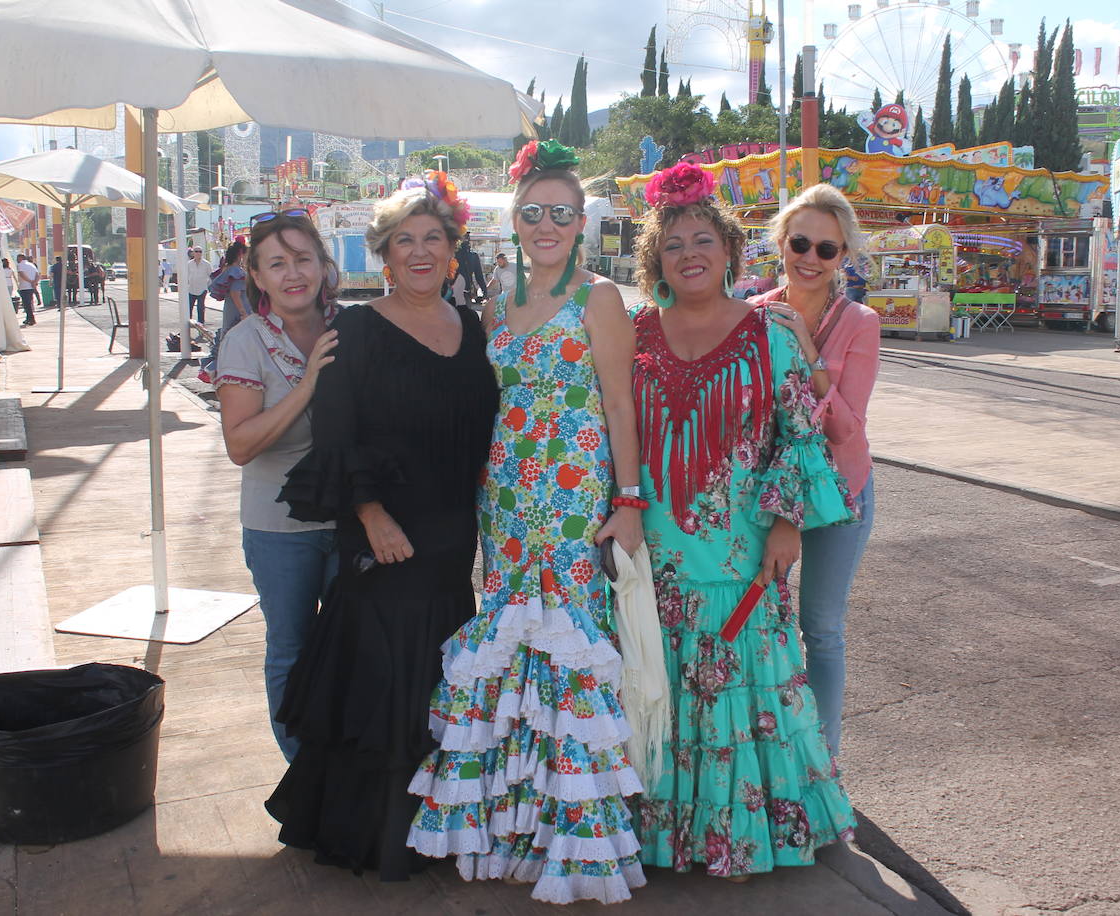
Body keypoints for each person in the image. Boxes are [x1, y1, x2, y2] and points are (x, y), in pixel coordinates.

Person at [407, 139, 647, 904]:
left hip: (574, 501)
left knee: (567, 641)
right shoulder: (494, 304)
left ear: (581, 223)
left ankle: (575, 841)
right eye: (534, 212)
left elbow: (618, 404)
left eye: (562, 214)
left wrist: (630, 501)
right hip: (505, 500)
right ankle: (515, 826)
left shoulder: (600, 299)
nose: (547, 225)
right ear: (514, 220)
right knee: (510, 644)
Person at [628, 163, 858, 879]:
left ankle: (746, 835)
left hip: (742, 549)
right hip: (657, 551)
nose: (689, 253)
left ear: (729, 250)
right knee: (658, 680)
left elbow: (801, 434)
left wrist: (789, 523)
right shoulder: (632, 334)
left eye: (703, 238)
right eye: (673, 244)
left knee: (747, 678)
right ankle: (666, 831)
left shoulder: (771, 334)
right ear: (654, 260)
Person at [267, 174, 498, 881]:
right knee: (382, 683)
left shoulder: (473, 327)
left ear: (454, 252)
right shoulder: (356, 330)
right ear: (384, 256)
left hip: (452, 535)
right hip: (386, 536)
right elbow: (336, 435)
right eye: (405, 241)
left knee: (439, 677)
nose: (420, 252)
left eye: (434, 239)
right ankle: (378, 837)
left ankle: (440, 828)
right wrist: (370, 515)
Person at [749, 183, 881, 759]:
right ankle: (772, 752)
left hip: (838, 494)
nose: (810, 258)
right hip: (764, 494)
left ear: (843, 257)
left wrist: (807, 353)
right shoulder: (752, 313)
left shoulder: (859, 322)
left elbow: (847, 428)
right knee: (759, 626)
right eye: (800, 242)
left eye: (827, 250)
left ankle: (823, 764)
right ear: (781, 241)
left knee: (820, 630)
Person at [215, 213, 341, 764]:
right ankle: (301, 769)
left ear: (323, 266)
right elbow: (241, 445)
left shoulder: (351, 327)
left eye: (303, 258)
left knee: (348, 646)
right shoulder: (244, 342)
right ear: (257, 277)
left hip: (353, 516)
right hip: (279, 527)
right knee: (291, 648)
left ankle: (341, 771)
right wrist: (311, 381)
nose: (293, 273)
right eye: (277, 263)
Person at [210, 240, 251, 335]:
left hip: (231, 310)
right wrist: (243, 313)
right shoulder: (236, 272)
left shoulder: (228, 269)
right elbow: (235, 294)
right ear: (240, 254)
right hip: (238, 314)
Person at [455, 230, 487, 302]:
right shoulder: (451, 255)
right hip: (452, 292)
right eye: (464, 238)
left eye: (467, 238)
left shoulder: (473, 256)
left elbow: (479, 276)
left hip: (466, 292)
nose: (466, 240)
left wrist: (484, 291)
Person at [186, 246, 213, 324]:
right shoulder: (189, 264)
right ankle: (186, 327)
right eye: (196, 251)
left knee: (200, 308)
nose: (198, 253)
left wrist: (208, 286)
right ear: (193, 253)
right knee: (189, 308)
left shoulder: (207, 264)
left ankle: (201, 325)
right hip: (191, 289)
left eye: (200, 251)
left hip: (202, 289)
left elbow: (211, 276)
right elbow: (186, 275)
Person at [15, 254, 38, 326]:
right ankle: (28, 318)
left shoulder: (20, 265)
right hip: (31, 287)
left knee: (26, 304)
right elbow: (37, 274)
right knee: (29, 303)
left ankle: (31, 319)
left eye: (17, 258)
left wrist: (30, 281)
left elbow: (22, 274)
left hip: (24, 286)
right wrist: (35, 282)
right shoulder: (32, 265)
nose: (17, 260)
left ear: (20, 258)